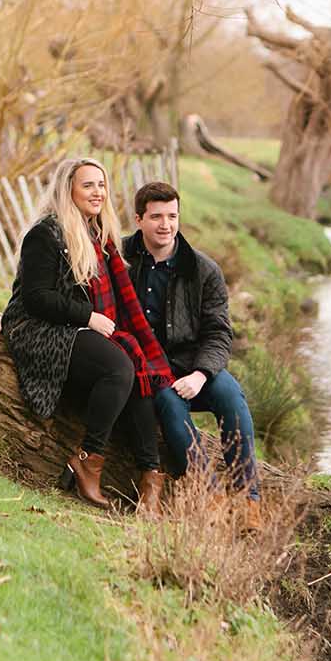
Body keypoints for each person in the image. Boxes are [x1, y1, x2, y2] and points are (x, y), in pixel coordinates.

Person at [0, 158, 173, 514]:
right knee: (119, 367)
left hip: (75, 326)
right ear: (69, 190)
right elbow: (35, 298)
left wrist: (91, 320)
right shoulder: (45, 234)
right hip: (41, 329)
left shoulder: (100, 236)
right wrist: (88, 317)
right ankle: (88, 459)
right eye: (87, 185)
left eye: (101, 185)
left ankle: (150, 476)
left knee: (135, 366)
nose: (97, 192)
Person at [123, 181, 262, 528]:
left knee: (231, 396)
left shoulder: (203, 270)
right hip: (151, 369)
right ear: (139, 219)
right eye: (156, 217)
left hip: (196, 365)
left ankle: (249, 500)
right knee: (170, 404)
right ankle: (210, 495)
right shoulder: (121, 262)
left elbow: (219, 332)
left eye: (172, 216)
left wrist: (201, 374)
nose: (165, 225)